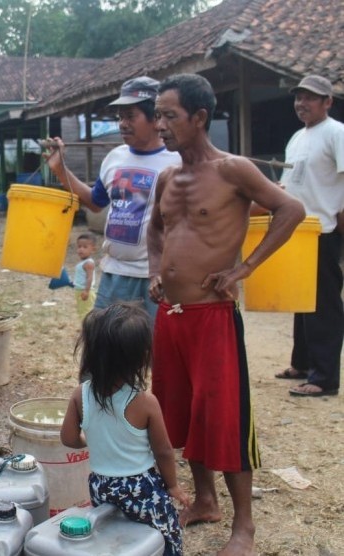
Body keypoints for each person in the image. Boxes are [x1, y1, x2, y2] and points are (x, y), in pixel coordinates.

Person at [147, 73, 305, 555]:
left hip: (213, 315)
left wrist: (244, 268)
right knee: (186, 412)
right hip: (171, 315)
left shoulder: (234, 170)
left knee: (224, 417)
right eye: (158, 116)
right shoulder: (167, 177)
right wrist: (155, 270)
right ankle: (205, 501)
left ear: (199, 118)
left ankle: (244, 528)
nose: (161, 126)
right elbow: (155, 231)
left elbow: (291, 209)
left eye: (169, 116)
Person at [45, 76, 181, 322]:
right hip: (114, 274)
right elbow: (95, 202)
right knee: (105, 348)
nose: (122, 124)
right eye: (120, 117)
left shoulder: (178, 162)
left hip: (156, 279)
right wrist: (60, 170)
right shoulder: (114, 158)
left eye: (131, 116)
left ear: (156, 117)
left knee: (156, 352)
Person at [61, 302, 191, 556]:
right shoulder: (145, 402)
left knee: (113, 535)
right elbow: (163, 450)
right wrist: (173, 486)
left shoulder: (80, 395)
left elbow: (68, 438)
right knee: (163, 535)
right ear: (141, 357)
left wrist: (92, 440)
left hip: (101, 485)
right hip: (140, 486)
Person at [275, 75, 344, 397]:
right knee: (300, 299)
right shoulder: (296, 138)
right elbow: (289, 185)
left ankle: (325, 377)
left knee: (323, 306)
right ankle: (302, 363)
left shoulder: (336, 132)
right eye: (298, 97)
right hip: (299, 230)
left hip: (324, 228)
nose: (302, 104)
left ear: (327, 101)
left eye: (310, 98)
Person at [71, 233, 97, 319]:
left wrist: (86, 290)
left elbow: (89, 278)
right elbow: (81, 276)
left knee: (86, 312)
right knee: (82, 310)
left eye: (85, 247)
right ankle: (85, 327)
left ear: (93, 250)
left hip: (85, 291)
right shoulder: (83, 262)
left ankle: (87, 329)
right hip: (80, 290)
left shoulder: (88, 263)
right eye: (79, 246)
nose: (81, 249)